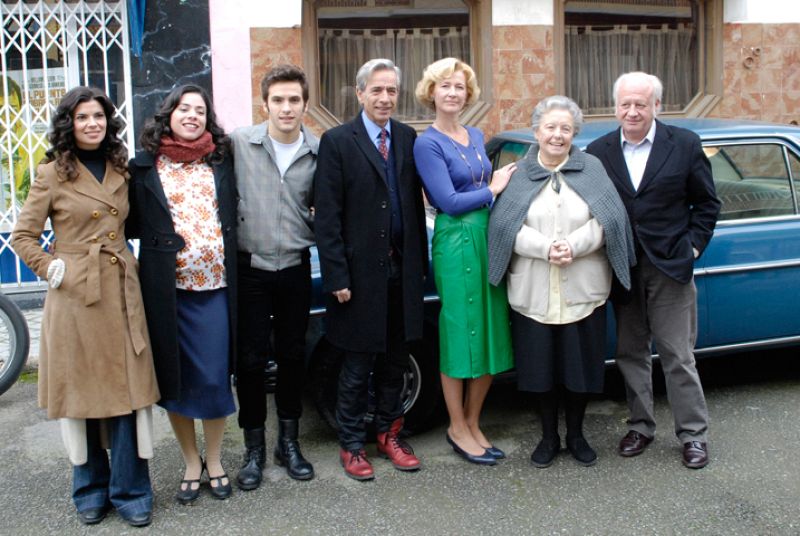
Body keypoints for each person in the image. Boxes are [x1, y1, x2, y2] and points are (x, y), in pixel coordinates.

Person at [11, 86, 159, 527]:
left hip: (120, 289)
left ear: (108, 121)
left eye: (98, 116)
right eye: (82, 118)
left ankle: (131, 489)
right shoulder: (53, 173)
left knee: (127, 393)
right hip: (76, 294)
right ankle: (90, 488)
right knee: (82, 394)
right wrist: (51, 267)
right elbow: (22, 236)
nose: (91, 123)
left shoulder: (121, 167)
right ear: (68, 125)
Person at [488, 95, 636, 468]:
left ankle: (577, 435)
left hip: (582, 287)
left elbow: (610, 221)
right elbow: (504, 227)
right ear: (537, 131)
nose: (557, 135)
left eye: (565, 129)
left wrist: (573, 245)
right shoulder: (517, 173)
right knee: (540, 369)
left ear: (574, 133)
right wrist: (544, 248)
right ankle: (548, 437)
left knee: (580, 368)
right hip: (533, 289)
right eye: (550, 127)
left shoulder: (592, 168)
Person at [585, 72, 720, 469]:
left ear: (656, 106)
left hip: (670, 267)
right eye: (625, 104)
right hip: (624, 268)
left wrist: (693, 247)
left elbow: (707, 205)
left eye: (640, 104)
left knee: (678, 354)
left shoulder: (685, 144)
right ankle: (640, 426)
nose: (632, 111)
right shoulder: (598, 151)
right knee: (630, 352)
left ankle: (693, 435)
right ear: (615, 107)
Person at [314, 58, 428, 481]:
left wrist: (416, 266)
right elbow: (327, 216)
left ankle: (390, 433)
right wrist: (337, 276)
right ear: (360, 93)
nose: (385, 98)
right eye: (376, 90)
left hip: (401, 273)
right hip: (358, 278)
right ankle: (351, 444)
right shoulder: (338, 141)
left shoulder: (405, 136)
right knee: (357, 364)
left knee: (396, 362)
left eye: (392, 91)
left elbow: (413, 205)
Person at [128, 84, 238, 502]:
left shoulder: (221, 162)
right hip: (167, 292)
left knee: (212, 379)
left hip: (215, 289)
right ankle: (191, 461)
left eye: (199, 110)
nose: (191, 115)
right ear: (168, 114)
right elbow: (130, 223)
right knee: (175, 380)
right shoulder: (143, 167)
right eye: (183, 108)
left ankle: (215, 459)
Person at [412, 58, 516, 466]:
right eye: (445, 86)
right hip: (455, 242)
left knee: (491, 330)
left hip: (487, 237)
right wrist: (494, 187)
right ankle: (456, 426)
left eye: (459, 86)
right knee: (460, 333)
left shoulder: (475, 134)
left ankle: (474, 421)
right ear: (432, 93)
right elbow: (448, 202)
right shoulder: (428, 142)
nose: (453, 93)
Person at [230, 64, 317, 489]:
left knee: (292, 355)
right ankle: (254, 449)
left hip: (296, 267)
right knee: (248, 360)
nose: (286, 108)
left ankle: (289, 443)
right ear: (264, 104)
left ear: (304, 103)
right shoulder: (238, 145)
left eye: (294, 100)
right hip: (251, 270)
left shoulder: (318, 151)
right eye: (278, 100)